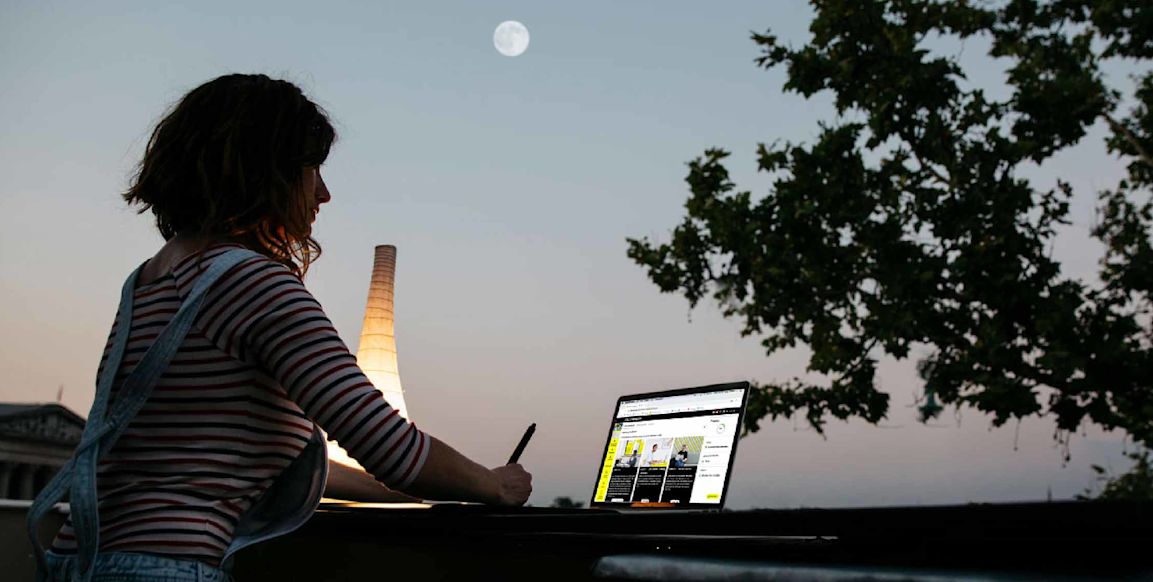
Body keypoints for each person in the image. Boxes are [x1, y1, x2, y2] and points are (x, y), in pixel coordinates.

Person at [28, 74, 532, 581]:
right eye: (312, 169)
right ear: (265, 171)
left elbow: (210, 459)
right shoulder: (253, 282)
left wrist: (399, 494)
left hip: (79, 560)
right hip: (166, 568)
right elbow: (390, 447)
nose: (324, 193)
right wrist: (493, 485)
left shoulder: (148, 280)